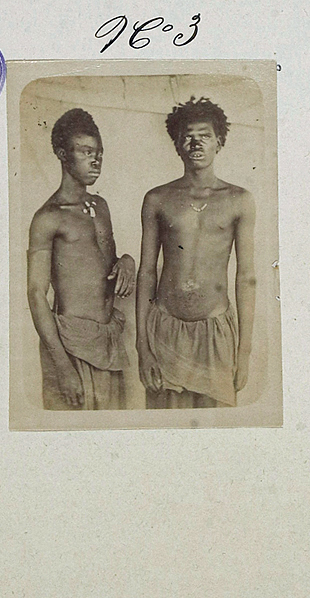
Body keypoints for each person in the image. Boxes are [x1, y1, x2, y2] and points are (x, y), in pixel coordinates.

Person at [136, 96, 256, 409]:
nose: (196, 142)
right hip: (165, 330)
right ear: (177, 144)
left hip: (216, 332)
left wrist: (244, 352)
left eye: (205, 135)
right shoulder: (157, 199)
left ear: (219, 142)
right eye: (188, 136)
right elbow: (146, 272)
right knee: (164, 427)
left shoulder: (239, 199)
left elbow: (247, 277)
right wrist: (142, 348)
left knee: (215, 430)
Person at [27, 108, 135, 410]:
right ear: (63, 154)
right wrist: (63, 368)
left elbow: (103, 264)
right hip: (70, 347)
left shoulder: (100, 206)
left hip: (109, 342)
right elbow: (36, 294)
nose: (95, 160)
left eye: (98, 152)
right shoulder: (48, 218)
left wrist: (127, 260)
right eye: (86, 152)